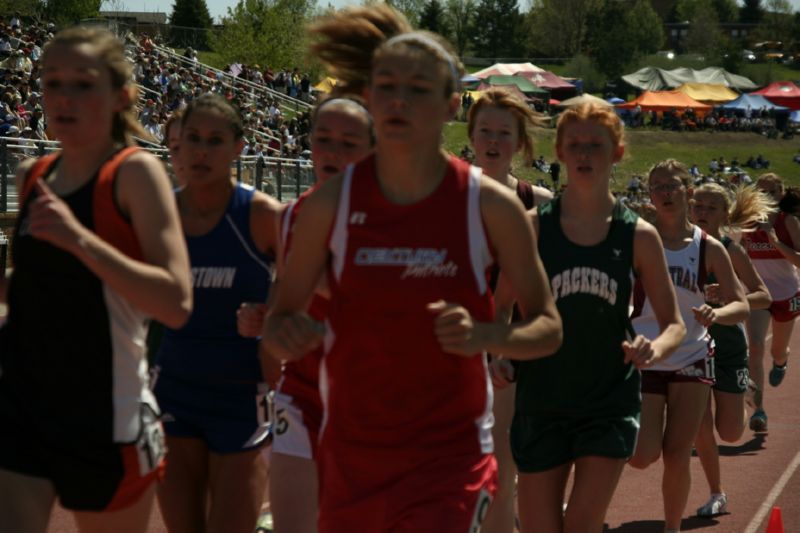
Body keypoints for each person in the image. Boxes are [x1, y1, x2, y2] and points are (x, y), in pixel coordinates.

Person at [262, 5, 562, 531]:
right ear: (369, 98)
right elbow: (279, 321)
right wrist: (290, 332)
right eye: (387, 86)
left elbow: (549, 329)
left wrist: (486, 334)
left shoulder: (489, 206)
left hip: (450, 457)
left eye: (418, 89)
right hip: (352, 455)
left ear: (450, 106)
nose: (399, 100)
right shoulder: (329, 205)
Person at [0, 27, 192, 533]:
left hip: (106, 420)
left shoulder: (134, 175)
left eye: (82, 84)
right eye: (50, 82)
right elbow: (34, 291)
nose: (63, 97)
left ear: (121, 95)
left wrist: (81, 241)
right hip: (23, 406)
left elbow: (175, 303)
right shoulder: (32, 174)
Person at [503, 104, 685, 533]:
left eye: (595, 145)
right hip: (541, 399)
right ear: (560, 152)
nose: (585, 154)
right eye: (575, 145)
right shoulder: (531, 227)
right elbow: (499, 310)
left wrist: (652, 347)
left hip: (607, 400)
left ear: (617, 153)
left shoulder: (637, 233)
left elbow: (674, 323)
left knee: (582, 523)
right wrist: (500, 353)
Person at [238, 95, 375, 533]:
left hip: (372, 400)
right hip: (302, 396)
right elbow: (283, 308)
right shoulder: (291, 216)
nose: (333, 152)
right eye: (323, 139)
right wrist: (264, 319)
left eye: (348, 143)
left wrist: (331, 284)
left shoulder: (392, 220)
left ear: (372, 150)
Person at [152, 93, 282, 533]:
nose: (202, 150)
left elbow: (309, 288)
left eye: (215, 140)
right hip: (174, 389)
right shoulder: (158, 214)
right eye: (192, 139)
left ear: (238, 147)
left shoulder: (262, 215)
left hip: (241, 395)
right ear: (179, 145)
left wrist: (273, 315)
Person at [629, 159, 749, 533]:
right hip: (647, 355)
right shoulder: (635, 238)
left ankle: (671, 528)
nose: (665, 193)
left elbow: (742, 302)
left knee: (677, 453)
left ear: (688, 191)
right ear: (649, 195)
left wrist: (719, 313)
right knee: (642, 455)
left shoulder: (708, 247)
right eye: (658, 187)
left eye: (672, 186)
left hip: (693, 356)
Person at [466, 86, 553, 533]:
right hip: (451, 345)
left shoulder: (538, 203)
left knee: (500, 455)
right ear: (471, 136)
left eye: (504, 132)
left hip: (509, 350)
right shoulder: (444, 197)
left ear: (519, 143)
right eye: (485, 131)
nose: (494, 141)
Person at [690, 182, 774, 517]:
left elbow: (762, 295)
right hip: (691, 348)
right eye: (698, 206)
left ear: (725, 215)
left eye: (711, 208)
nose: (703, 214)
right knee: (701, 426)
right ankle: (716, 492)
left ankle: (746, 391)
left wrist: (728, 299)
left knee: (730, 432)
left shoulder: (730, 249)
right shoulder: (673, 244)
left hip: (727, 347)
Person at [741, 174, 800, 432]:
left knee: (777, 349)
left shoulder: (789, 222)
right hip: (759, 294)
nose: (766, 196)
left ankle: (781, 361)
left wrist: (774, 240)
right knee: (754, 348)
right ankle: (759, 411)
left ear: (780, 193)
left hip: (787, 294)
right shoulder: (747, 222)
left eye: (771, 192)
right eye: (761, 191)